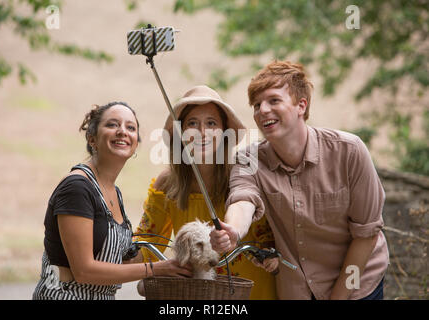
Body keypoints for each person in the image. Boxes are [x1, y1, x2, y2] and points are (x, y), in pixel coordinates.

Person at [210, 61, 389, 300]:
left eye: (273, 100)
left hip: (358, 285)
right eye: (256, 105)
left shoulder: (350, 151)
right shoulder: (247, 159)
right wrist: (233, 230)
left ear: (301, 106)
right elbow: (243, 199)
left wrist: (338, 297)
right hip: (298, 290)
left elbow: (366, 234)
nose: (262, 110)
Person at [33, 102, 191, 300]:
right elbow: (84, 270)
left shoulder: (114, 193)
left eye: (130, 127)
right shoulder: (77, 188)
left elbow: (120, 263)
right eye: (112, 125)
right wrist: (156, 268)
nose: (122, 131)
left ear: (135, 144)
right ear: (92, 139)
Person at [135, 85, 278, 299]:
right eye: (192, 124)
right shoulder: (167, 184)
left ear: (224, 133)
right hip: (202, 295)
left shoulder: (244, 174)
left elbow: (267, 238)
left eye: (211, 123)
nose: (202, 132)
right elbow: (146, 244)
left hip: (250, 293)